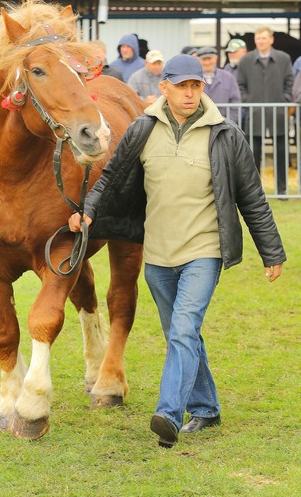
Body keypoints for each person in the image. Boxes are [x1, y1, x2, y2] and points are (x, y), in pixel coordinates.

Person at [68, 54, 285, 449]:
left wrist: (271, 252)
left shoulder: (225, 134)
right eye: (181, 86)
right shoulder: (143, 129)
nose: (189, 93)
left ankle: (169, 413)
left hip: (204, 250)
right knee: (180, 334)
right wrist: (89, 212)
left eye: (195, 85)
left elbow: (252, 197)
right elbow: (111, 177)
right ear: (163, 87)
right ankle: (206, 407)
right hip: (158, 255)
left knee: (183, 330)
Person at [237, 27, 294, 197]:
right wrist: (248, 101)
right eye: (258, 38)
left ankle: (282, 191)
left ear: (271, 39)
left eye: (263, 38)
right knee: (254, 154)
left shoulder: (283, 59)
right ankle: (255, 193)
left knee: (281, 153)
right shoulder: (246, 60)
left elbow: (289, 82)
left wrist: (283, 100)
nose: (261, 41)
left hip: (278, 113)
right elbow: (240, 84)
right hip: (255, 114)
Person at [197, 46, 241, 123]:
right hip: (200, 123)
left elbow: (235, 102)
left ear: (215, 58)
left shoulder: (228, 77)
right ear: (199, 60)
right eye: (204, 59)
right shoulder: (194, 79)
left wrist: (229, 123)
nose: (207, 62)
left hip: (224, 123)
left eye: (209, 59)